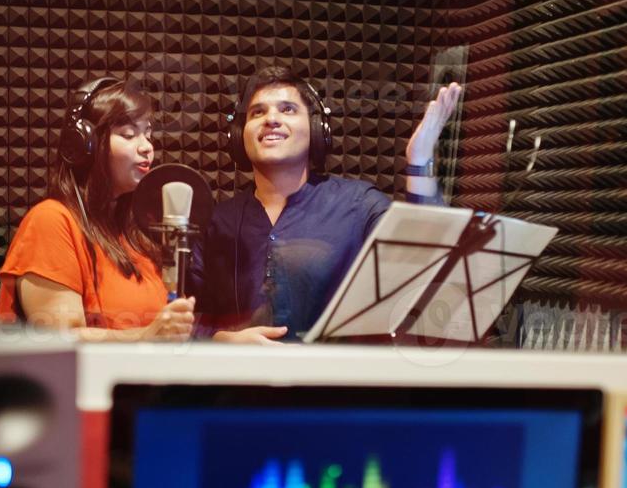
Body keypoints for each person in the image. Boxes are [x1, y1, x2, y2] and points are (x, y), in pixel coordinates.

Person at [190, 65, 462, 344]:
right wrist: (222, 340)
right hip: (241, 385)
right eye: (258, 112)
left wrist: (419, 162)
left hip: (338, 385)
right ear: (239, 136)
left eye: (288, 109)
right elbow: (188, 322)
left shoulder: (359, 205)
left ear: (318, 130)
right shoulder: (218, 222)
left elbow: (430, 264)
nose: (271, 119)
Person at [0, 77, 195, 341]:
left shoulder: (138, 236)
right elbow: (62, 341)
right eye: (129, 134)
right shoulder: (51, 221)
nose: (147, 146)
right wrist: (146, 336)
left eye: (147, 133)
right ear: (87, 145)